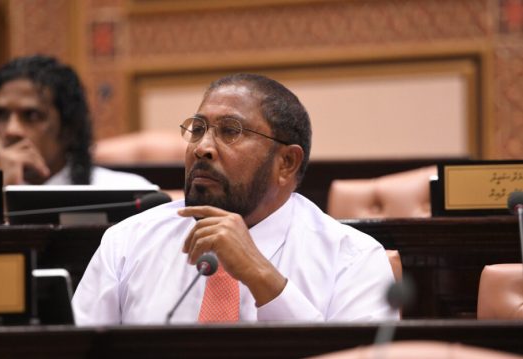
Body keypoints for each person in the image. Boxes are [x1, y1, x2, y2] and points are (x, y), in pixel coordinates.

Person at [72, 73, 398, 325]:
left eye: (230, 131)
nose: (202, 147)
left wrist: (261, 276)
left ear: (286, 163)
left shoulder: (353, 259)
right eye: (197, 129)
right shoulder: (128, 243)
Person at [0, 55, 153, 187]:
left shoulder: (126, 193)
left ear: (68, 129)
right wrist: (2, 192)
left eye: (32, 116)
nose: (11, 130)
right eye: (1, 115)